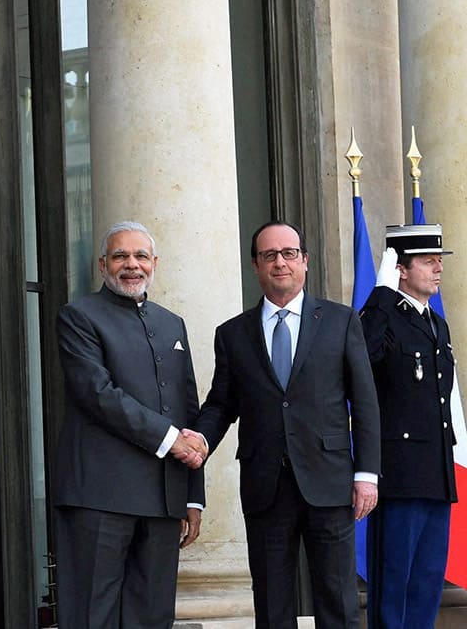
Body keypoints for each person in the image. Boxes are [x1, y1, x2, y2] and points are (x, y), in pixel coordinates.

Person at [195, 220, 381, 628]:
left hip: (329, 483)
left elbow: (365, 401)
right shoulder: (232, 334)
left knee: (338, 601)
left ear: (305, 262)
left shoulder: (340, 321)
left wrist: (367, 473)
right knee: (272, 604)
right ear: (255, 265)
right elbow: (221, 404)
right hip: (266, 487)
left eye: (288, 254)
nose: (280, 263)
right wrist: (197, 441)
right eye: (269, 256)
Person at [53, 221, 207, 629]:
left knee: (153, 618)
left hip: (162, 497)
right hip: (99, 495)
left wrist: (193, 496)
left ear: (155, 263)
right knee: (92, 616)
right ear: (103, 264)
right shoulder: (78, 316)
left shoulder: (172, 322)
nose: (131, 265)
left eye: (141, 256)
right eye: (120, 256)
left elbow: (186, 409)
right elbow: (98, 394)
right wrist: (171, 440)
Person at [359, 224, 458, 628]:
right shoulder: (383, 317)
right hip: (398, 474)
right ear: (400, 269)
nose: (437, 269)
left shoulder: (436, 323)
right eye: (428, 262)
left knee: (427, 583)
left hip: (436, 472)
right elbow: (361, 355)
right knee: (394, 583)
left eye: (439, 261)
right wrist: (381, 294)